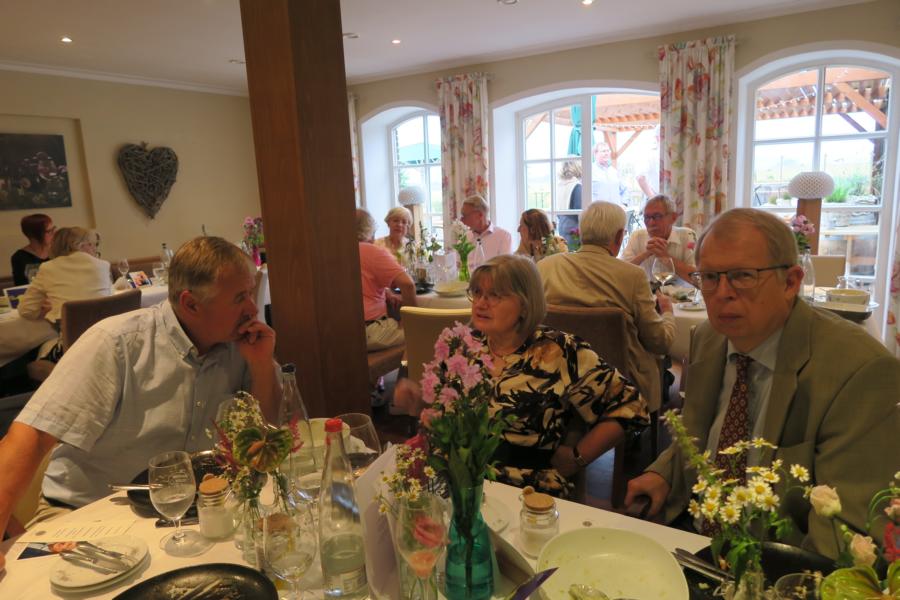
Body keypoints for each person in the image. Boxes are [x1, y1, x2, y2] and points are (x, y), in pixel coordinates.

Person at [624, 208, 900, 559]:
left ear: (791, 282)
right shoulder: (710, 338)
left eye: (742, 276)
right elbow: (697, 434)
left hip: (781, 562)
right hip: (692, 541)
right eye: (709, 277)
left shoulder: (859, 371)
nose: (722, 293)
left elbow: (848, 534)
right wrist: (664, 473)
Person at [0, 236, 279, 556]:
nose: (253, 308)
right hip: (92, 513)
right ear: (190, 304)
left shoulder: (239, 345)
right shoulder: (117, 343)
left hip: (192, 513)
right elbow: (33, 436)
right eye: (240, 297)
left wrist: (260, 366)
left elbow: (264, 439)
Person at [396, 254, 648, 497]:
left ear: (525, 304)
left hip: (523, 488)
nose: (481, 303)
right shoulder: (463, 346)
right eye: (478, 293)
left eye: (495, 295)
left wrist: (577, 457)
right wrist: (419, 400)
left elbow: (631, 407)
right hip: (456, 478)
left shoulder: (559, 351)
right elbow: (445, 410)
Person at [537, 201, 674, 411]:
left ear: (581, 232)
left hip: (557, 376)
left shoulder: (546, 267)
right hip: (622, 385)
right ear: (620, 237)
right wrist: (668, 313)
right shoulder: (632, 276)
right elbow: (659, 342)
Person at [17, 227, 111, 325]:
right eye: (91, 244)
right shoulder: (102, 265)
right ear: (79, 245)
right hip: (104, 327)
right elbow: (107, 299)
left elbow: (26, 311)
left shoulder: (48, 268)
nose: (94, 249)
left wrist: (53, 310)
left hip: (70, 331)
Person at [357, 208, 416, 350]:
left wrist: (386, 292)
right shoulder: (371, 250)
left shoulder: (336, 250)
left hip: (344, 329)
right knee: (424, 330)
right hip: (371, 330)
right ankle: (409, 371)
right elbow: (408, 285)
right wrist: (409, 322)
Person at [621, 194, 696, 285]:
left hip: (682, 297)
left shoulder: (687, 235)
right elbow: (622, 272)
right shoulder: (637, 236)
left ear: (673, 218)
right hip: (646, 295)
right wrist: (646, 253)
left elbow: (697, 278)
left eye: (657, 216)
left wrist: (665, 257)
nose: (651, 222)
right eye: (647, 217)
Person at [460, 194, 512, 266]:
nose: (461, 220)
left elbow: (504, 268)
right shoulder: (464, 238)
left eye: (465, 215)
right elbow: (457, 265)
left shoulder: (504, 236)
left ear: (480, 215)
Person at [10, 213, 55, 285]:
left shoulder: (58, 251)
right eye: (49, 231)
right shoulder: (19, 257)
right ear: (34, 235)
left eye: (53, 229)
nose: (54, 233)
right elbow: (20, 287)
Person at [556, 161, 583, 249]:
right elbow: (579, 211)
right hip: (574, 230)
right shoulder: (577, 186)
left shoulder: (560, 186)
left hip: (562, 226)